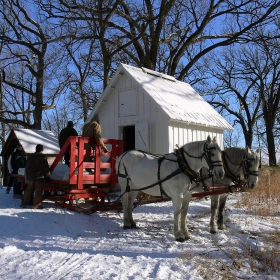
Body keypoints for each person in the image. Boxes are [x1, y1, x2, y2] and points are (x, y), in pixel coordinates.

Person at [20, 144, 50, 209]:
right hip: (40, 177)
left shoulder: (30, 157)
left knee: (29, 190)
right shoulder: (42, 157)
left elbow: (27, 167)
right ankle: (36, 205)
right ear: (41, 150)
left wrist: (27, 176)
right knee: (38, 192)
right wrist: (47, 176)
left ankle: (24, 203)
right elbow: (46, 168)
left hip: (31, 177)